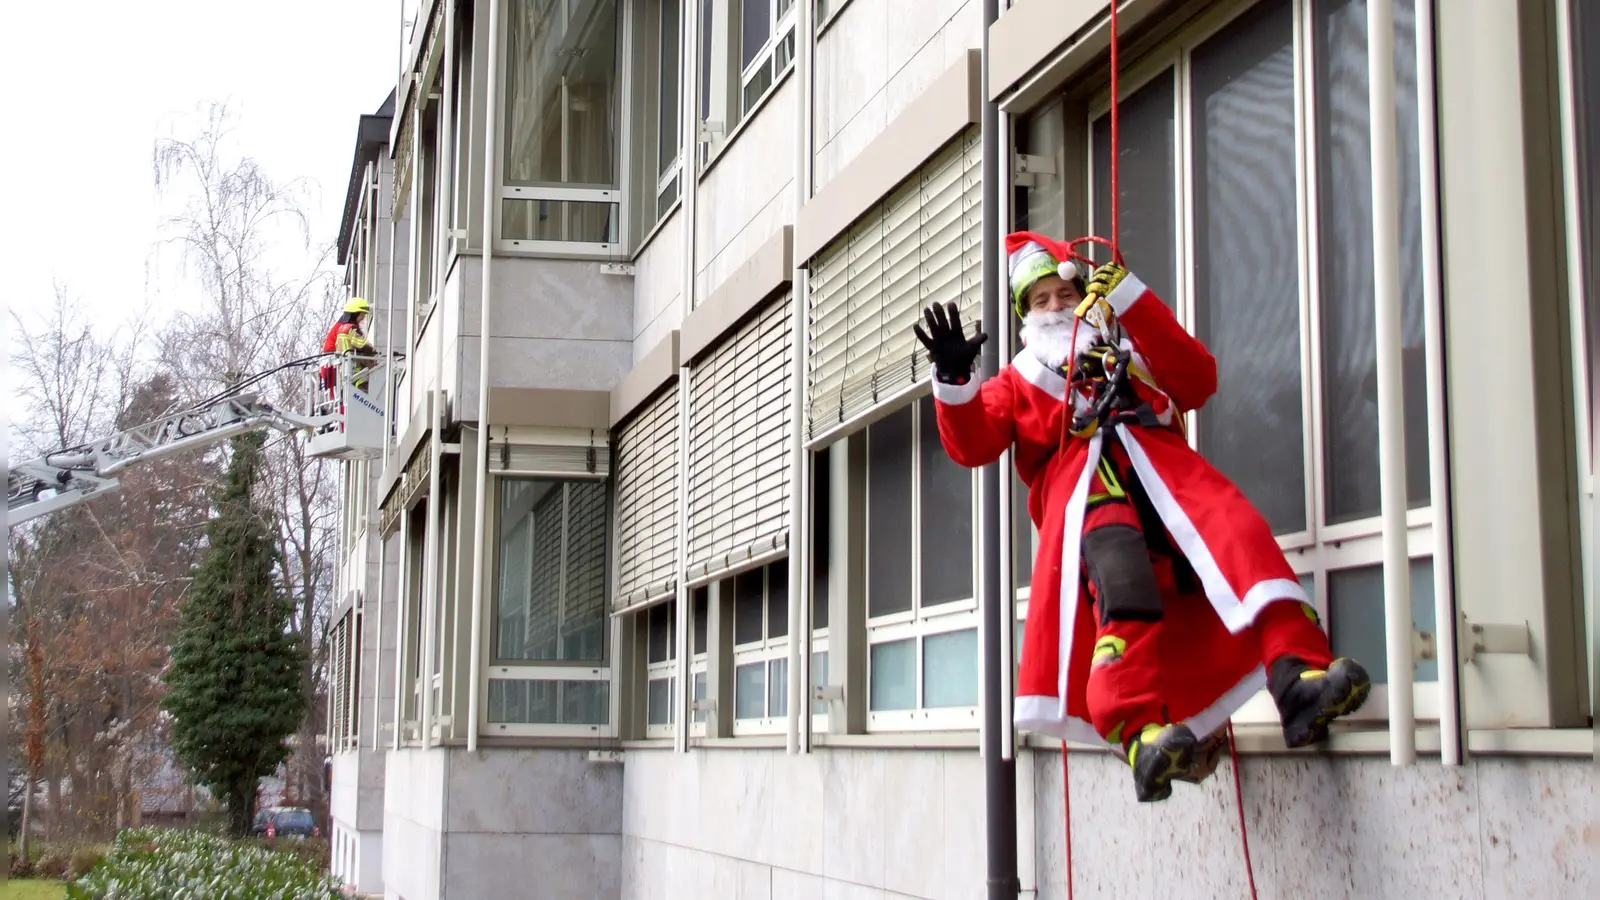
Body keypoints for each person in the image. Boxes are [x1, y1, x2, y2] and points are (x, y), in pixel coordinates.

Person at [914, 230, 1370, 802]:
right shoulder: (1021, 380)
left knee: (1241, 541)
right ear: (1024, 315)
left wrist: (1132, 299)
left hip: (1169, 480)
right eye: (1040, 300)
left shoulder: (1129, 353)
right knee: (1123, 589)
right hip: (1091, 498)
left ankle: (1299, 673)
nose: (1055, 307)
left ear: (1083, 294)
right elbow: (973, 444)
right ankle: (1138, 731)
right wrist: (956, 383)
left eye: (1064, 293)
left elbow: (1198, 380)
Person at [321, 297, 378, 397]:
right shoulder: (351, 328)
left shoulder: (340, 329)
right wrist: (374, 352)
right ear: (355, 314)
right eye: (362, 315)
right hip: (356, 370)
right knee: (363, 394)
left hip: (344, 372)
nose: (363, 318)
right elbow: (361, 344)